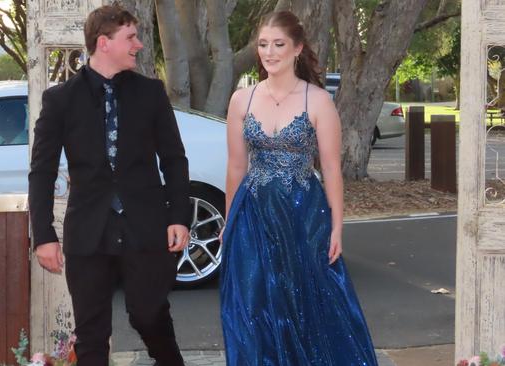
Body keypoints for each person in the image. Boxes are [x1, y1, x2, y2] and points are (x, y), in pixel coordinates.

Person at [28, 5, 190, 366]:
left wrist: (179, 216)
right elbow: (42, 172)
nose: (139, 45)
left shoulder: (151, 93)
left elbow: (174, 159)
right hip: (88, 232)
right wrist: (43, 236)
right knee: (91, 335)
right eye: (131, 37)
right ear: (104, 43)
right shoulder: (60, 100)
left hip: (146, 228)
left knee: (150, 316)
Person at [219, 10, 378, 365]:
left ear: (297, 49)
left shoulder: (318, 101)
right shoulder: (241, 100)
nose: (269, 52)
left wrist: (337, 226)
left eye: (278, 44)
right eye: (263, 44)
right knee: (253, 302)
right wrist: (230, 222)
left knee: (308, 300)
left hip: (303, 214)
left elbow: (332, 168)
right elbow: (236, 165)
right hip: (253, 213)